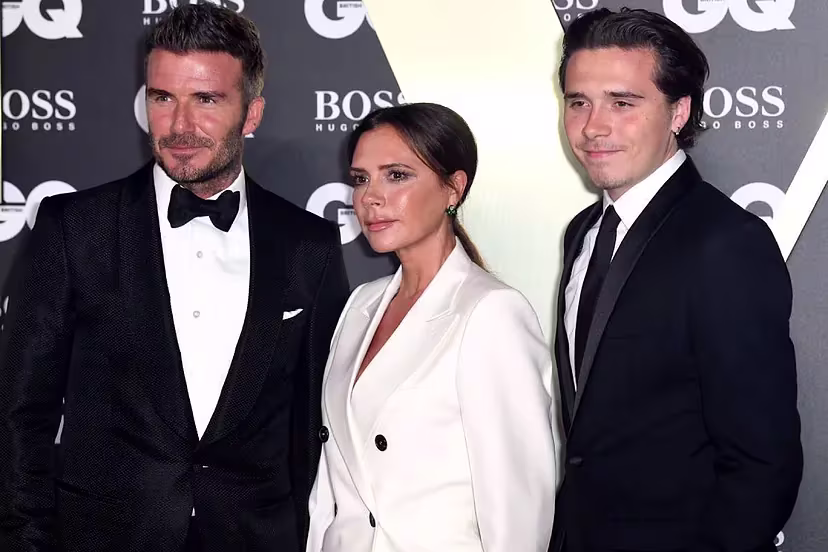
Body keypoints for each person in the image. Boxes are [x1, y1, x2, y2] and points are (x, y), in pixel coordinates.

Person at [0, 4, 349, 551]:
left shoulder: (309, 245)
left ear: (251, 114)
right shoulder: (75, 228)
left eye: (206, 99)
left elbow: (316, 426)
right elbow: (20, 412)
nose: (180, 125)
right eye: (163, 98)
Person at [551, 8, 803, 552]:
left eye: (622, 103)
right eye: (578, 102)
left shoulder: (726, 243)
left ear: (678, 112)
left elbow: (762, 462)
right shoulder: (583, 233)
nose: (593, 126)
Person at [305, 103, 561, 552]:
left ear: (453, 189)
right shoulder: (360, 306)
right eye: (361, 179)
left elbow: (518, 512)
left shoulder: (491, 313)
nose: (370, 197)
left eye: (396, 175)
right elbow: (331, 486)